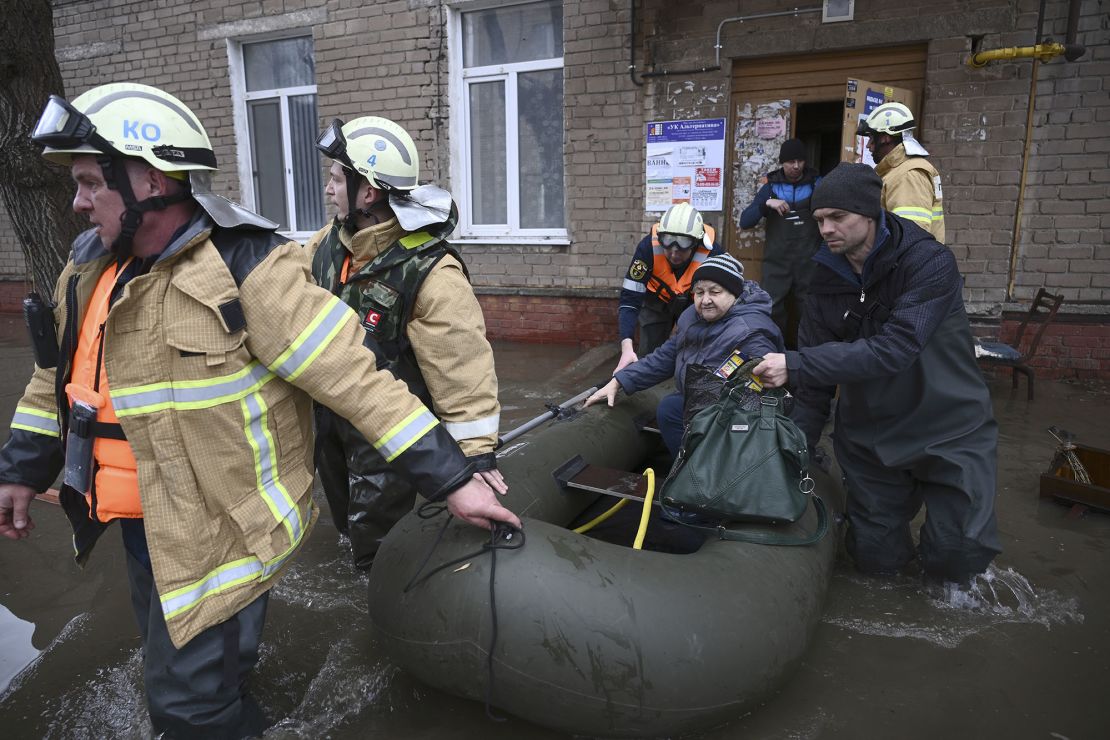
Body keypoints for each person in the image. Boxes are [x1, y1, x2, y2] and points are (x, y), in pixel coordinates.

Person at [0, 83, 519, 738]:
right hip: (141, 515)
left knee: (186, 706)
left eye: (87, 183)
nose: (75, 203)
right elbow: (60, 377)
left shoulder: (252, 266)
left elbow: (363, 378)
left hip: (223, 528)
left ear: (152, 178)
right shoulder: (88, 267)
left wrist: (462, 473)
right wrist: (22, 466)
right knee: (200, 671)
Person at [752, 163, 999, 586]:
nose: (827, 229)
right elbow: (814, 390)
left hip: (948, 426)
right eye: (819, 220)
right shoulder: (824, 278)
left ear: (869, 213)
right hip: (871, 435)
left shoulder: (927, 262)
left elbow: (897, 348)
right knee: (874, 557)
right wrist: (797, 453)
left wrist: (795, 363)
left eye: (837, 218)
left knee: (956, 556)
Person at [306, 116, 504, 569]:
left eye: (337, 179)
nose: (329, 189)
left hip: (391, 434)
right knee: (346, 524)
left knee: (380, 549)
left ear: (368, 192)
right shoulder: (327, 244)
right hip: (331, 422)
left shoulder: (433, 273)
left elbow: (464, 372)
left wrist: (474, 461)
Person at [587, 254, 783, 457]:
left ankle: (708, 472)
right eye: (699, 292)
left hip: (733, 419)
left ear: (734, 294)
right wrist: (620, 381)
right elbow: (666, 356)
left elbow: (758, 398)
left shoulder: (750, 333)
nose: (705, 300)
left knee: (672, 408)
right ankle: (686, 468)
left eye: (715, 292)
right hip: (699, 404)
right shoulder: (693, 318)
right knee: (671, 409)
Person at [614, 203, 724, 373]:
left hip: (693, 303)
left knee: (693, 349)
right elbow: (630, 299)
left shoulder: (713, 253)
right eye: (668, 243)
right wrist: (626, 346)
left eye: (683, 245)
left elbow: (725, 298)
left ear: (696, 242)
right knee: (649, 354)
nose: (674, 253)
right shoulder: (647, 248)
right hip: (656, 301)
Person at [738, 138, 823, 344]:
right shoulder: (771, 187)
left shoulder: (816, 183)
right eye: (790, 161)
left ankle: (807, 356)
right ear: (782, 163)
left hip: (809, 262)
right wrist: (766, 204)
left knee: (809, 309)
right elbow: (745, 221)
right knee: (772, 308)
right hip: (777, 262)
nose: (796, 166)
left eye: (800, 161)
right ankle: (773, 353)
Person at [856, 101, 945, 241]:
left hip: (907, 263)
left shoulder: (908, 174)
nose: (868, 145)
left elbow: (911, 238)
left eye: (872, 138)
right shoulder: (898, 171)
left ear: (886, 137)